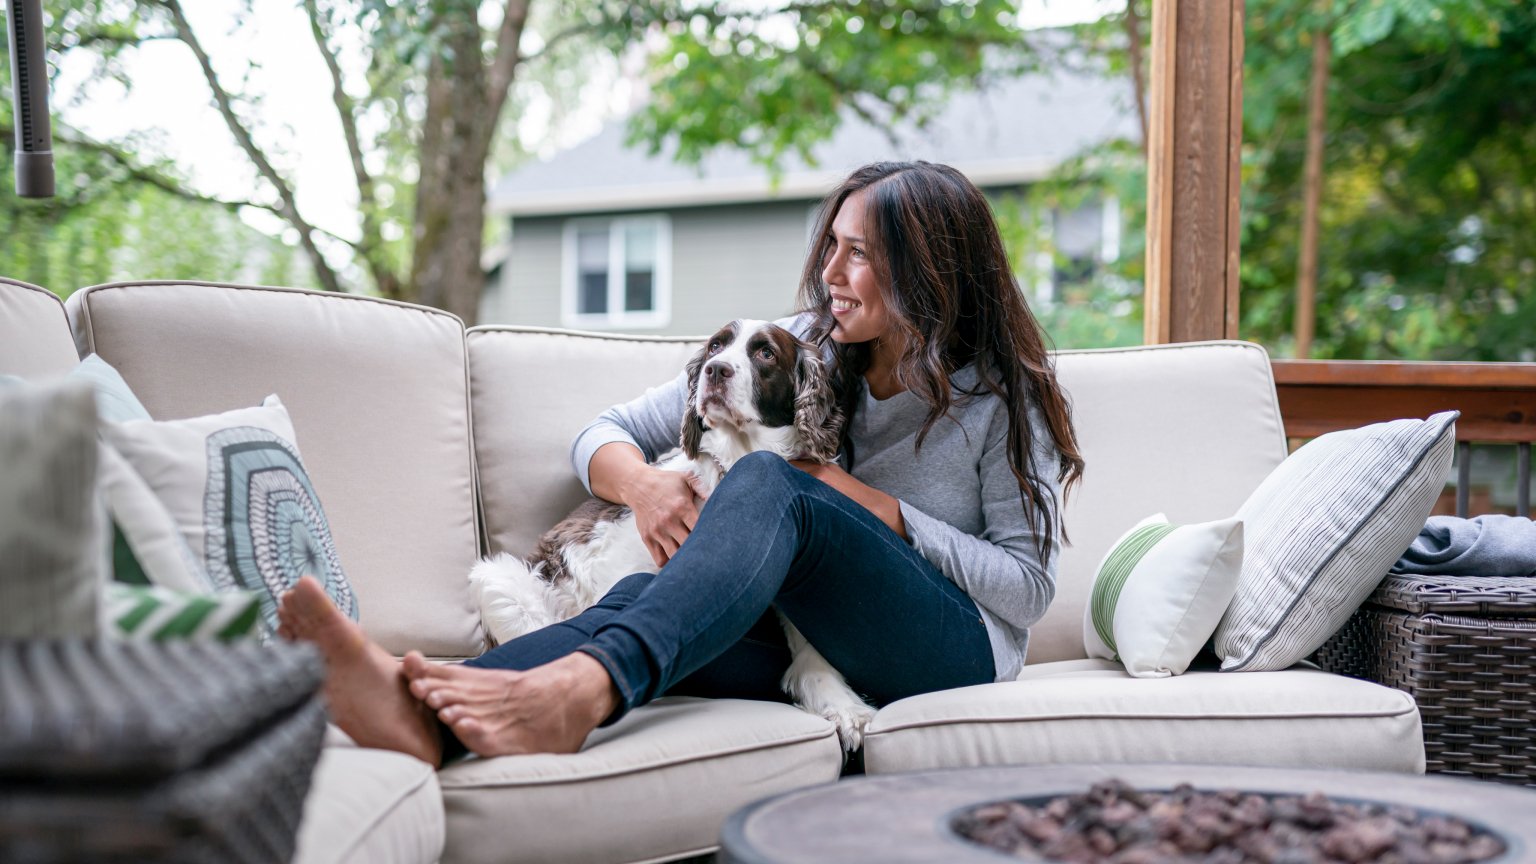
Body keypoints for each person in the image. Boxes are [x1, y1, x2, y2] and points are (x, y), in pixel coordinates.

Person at [277, 160, 1085, 767]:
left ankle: (586, 691)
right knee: (642, 591)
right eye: (831, 246)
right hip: (815, 639)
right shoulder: (803, 346)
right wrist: (645, 486)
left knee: (771, 478)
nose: (832, 274)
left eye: (861, 255)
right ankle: (421, 717)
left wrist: (879, 509)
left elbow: (1027, 587)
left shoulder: (1001, 398)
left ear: (928, 271)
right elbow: (604, 433)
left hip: (949, 650)